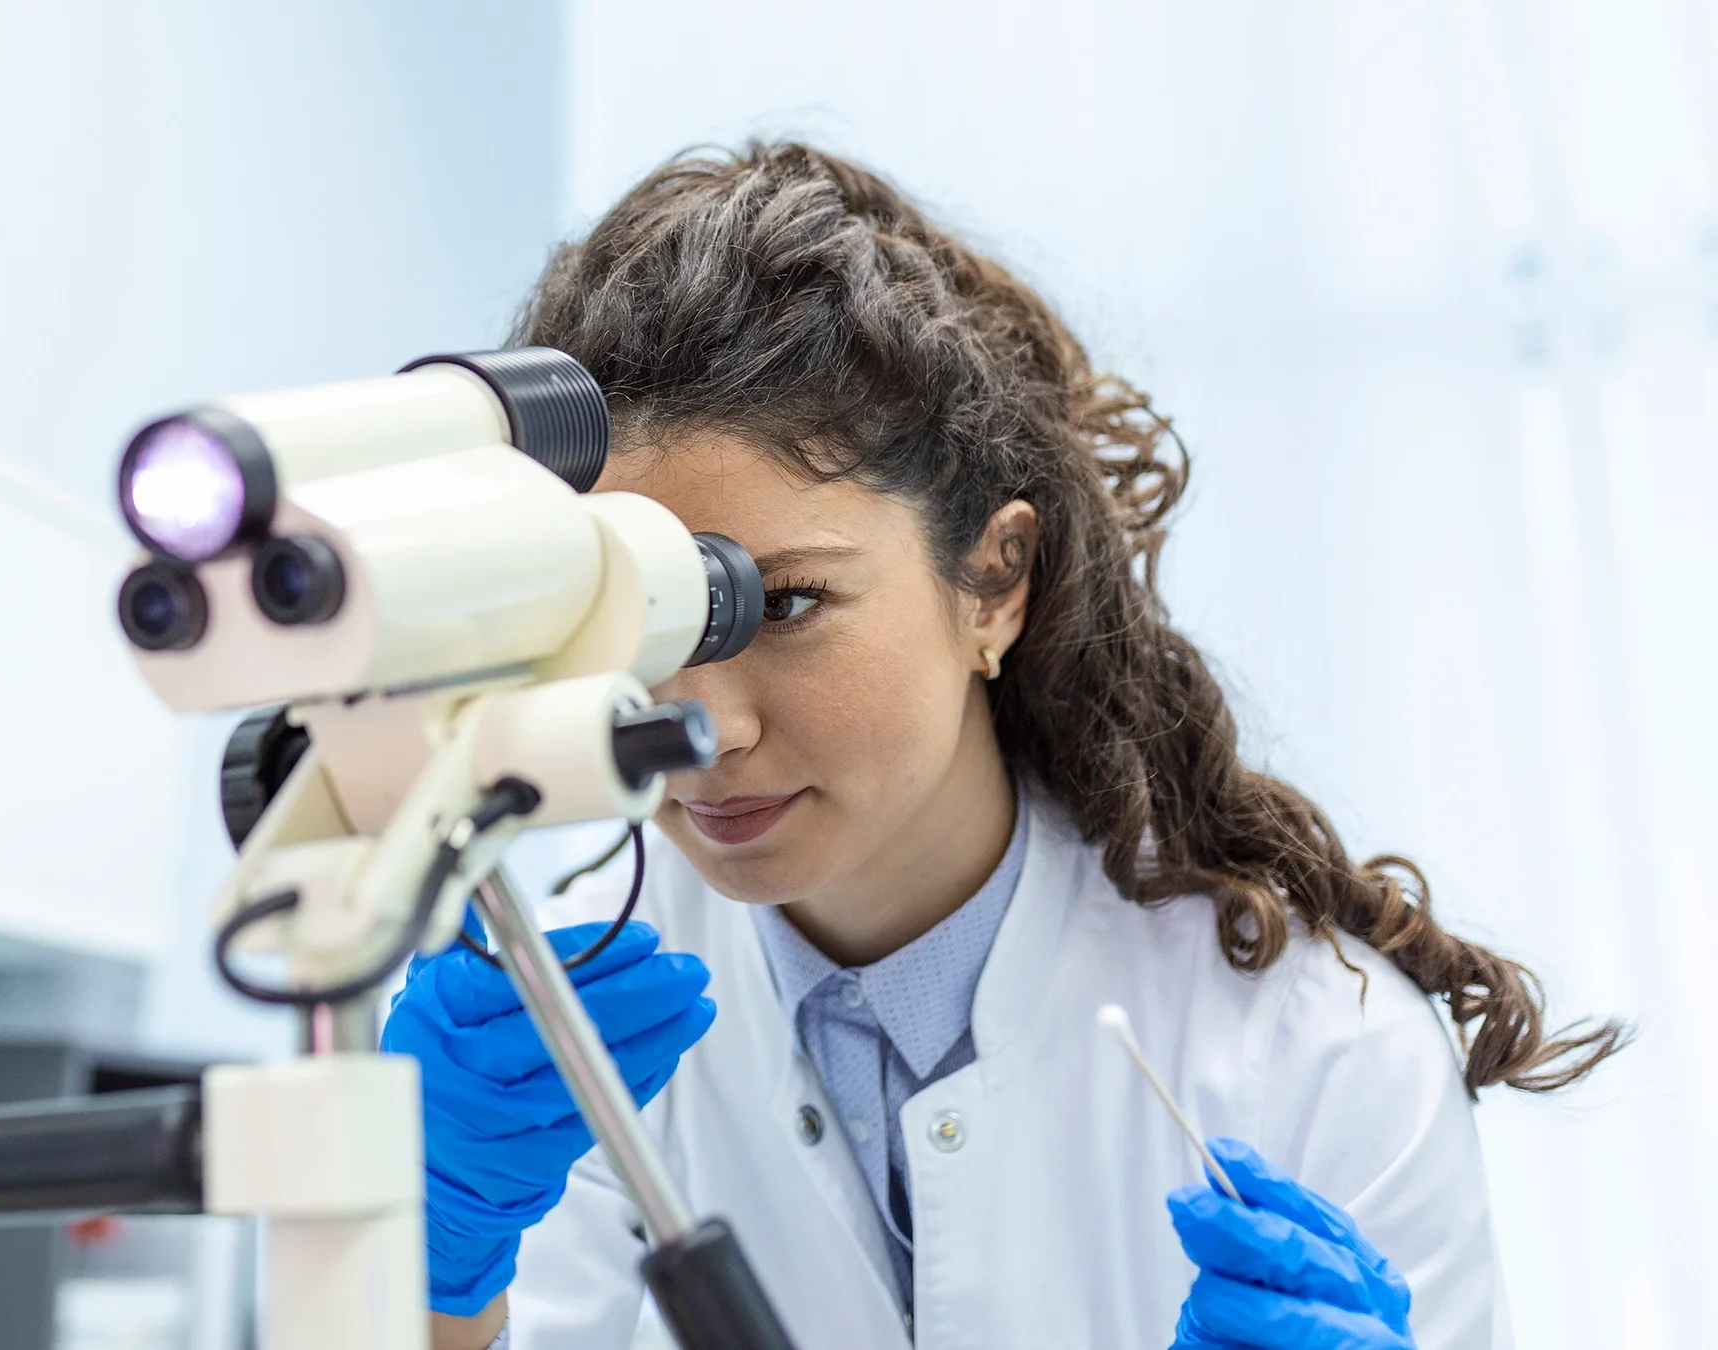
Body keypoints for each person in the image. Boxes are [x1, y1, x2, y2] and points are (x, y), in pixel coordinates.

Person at [386, 144, 1624, 1350]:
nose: (702, 721)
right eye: (640, 617)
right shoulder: (563, 1034)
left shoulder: (1315, 1055)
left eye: (790, 604)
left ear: (994, 581)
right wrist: (417, 1271)